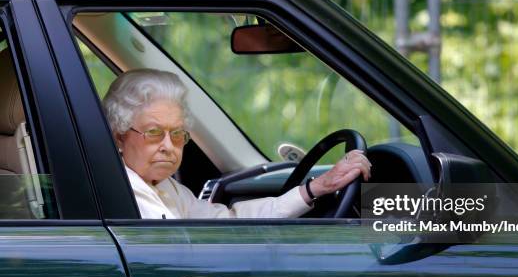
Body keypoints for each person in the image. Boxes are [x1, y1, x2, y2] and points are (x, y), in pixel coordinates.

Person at [103, 69, 371, 219]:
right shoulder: (123, 192)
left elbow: (229, 222)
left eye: (177, 134)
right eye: (153, 132)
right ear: (119, 136)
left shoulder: (165, 186)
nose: (167, 145)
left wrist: (316, 188)